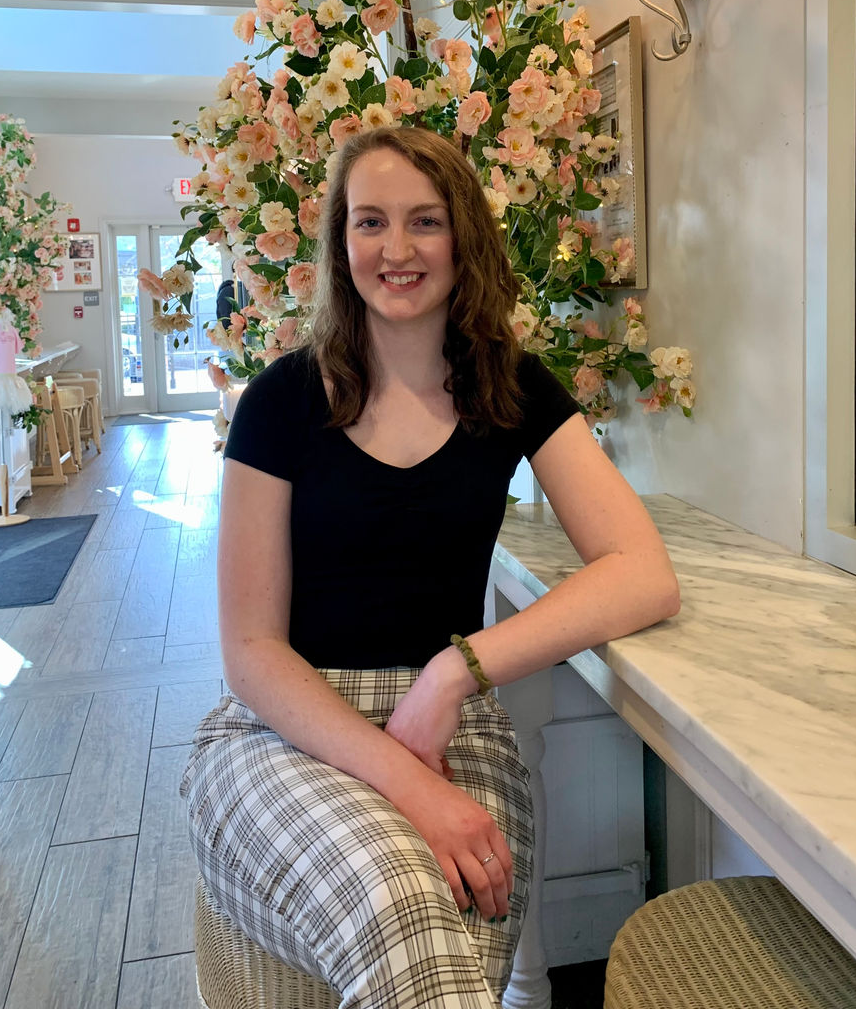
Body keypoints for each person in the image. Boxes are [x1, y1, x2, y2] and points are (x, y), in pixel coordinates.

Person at [180, 126, 680, 1008]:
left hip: (453, 730)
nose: (398, 249)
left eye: (426, 221)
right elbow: (252, 650)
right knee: (405, 906)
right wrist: (412, 785)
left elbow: (643, 572)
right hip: (287, 730)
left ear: (465, 240)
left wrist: (458, 669)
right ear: (340, 242)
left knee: (435, 919)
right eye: (370, 221)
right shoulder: (280, 402)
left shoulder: (513, 387)